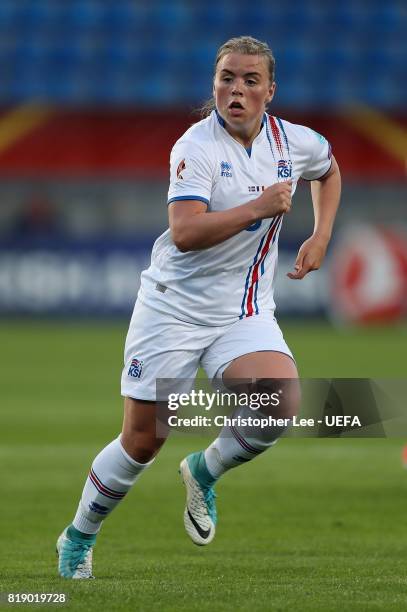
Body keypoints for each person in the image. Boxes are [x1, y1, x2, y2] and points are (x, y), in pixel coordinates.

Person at [57, 35, 341, 578]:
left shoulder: (293, 142)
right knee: (143, 440)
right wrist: (259, 207)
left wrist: (322, 234)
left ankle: (203, 473)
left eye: (249, 80)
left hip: (243, 310)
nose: (236, 89)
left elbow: (328, 170)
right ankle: (78, 536)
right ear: (214, 85)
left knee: (278, 405)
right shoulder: (196, 147)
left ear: (269, 91)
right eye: (226, 78)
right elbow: (184, 231)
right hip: (173, 311)